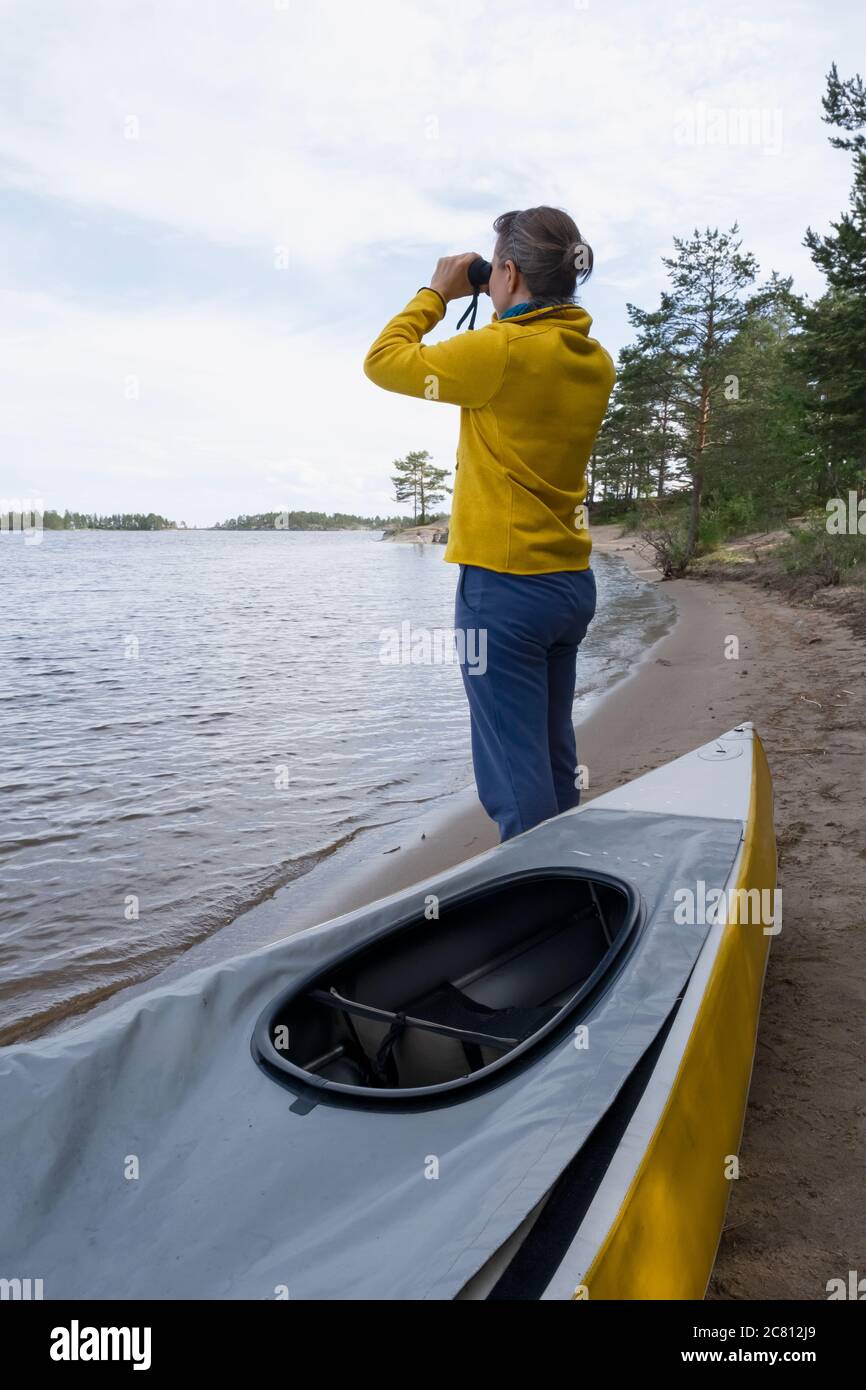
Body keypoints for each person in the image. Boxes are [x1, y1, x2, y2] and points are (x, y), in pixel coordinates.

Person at [363, 205, 615, 841]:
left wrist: (436, 294)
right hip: (568, 585)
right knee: (554, 758)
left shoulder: (500, 350)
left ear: (506, 271)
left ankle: (541, 910)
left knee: (513, 774)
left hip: (504, 591)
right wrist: (498, 294)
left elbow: (385, 360)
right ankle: (572, 881)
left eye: (495, 267)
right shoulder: (594, 358)